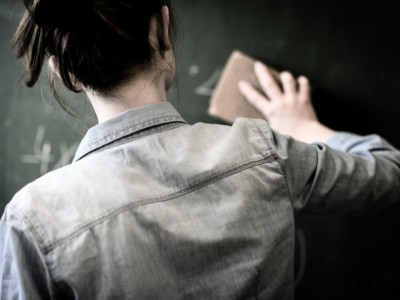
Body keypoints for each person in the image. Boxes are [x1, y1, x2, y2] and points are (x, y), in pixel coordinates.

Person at [1, 0, 399, 299]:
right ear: (161, 27)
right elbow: (388, 169)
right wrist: (304, 127)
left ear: (64, 72)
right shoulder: (262, 152)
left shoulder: (34, 220)